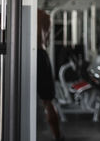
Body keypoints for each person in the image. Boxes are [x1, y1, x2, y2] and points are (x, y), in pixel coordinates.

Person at [37, 9, 64, 141]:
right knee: (48, 102)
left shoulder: (20, 12)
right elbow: (46, 42)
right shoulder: (45, 16)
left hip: (24, 55)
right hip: (41, 55)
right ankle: (57, 136)